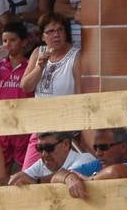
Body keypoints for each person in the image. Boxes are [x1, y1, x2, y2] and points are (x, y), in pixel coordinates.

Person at [19, 13, 82, 166]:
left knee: (63, 175)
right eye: (51, 31)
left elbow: (81, 96)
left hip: (65, 132)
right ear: (42, 36)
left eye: (60, 30)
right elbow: (26, 86)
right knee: (28, 172)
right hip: (40, 128)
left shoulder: (76, 56)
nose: (56, 35)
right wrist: (39, 67)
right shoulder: (38, 53)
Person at [0, 21, 33, 171]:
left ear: (24, 42)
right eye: (4, 41)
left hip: (23, 123)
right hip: (2, 121)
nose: (7, 44)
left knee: (24, 166)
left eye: (12, 40)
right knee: (2, 165)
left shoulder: (30, 65)